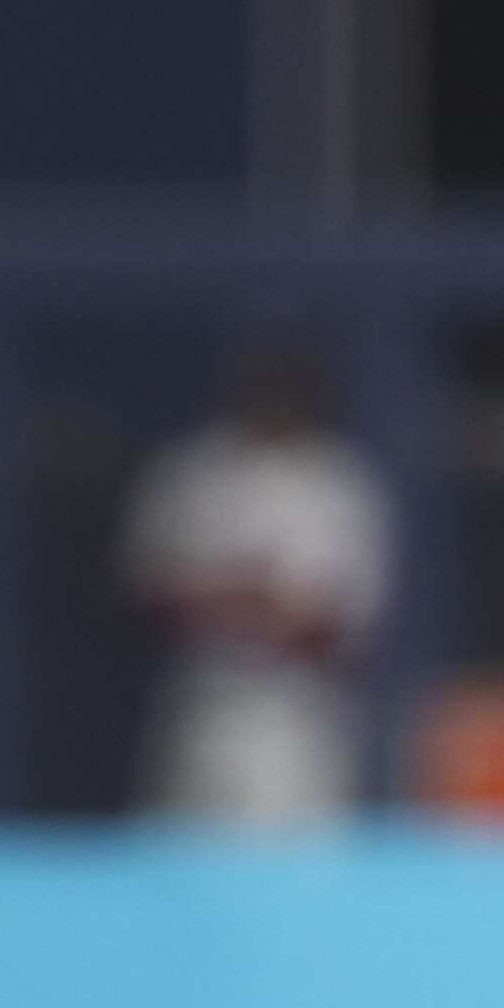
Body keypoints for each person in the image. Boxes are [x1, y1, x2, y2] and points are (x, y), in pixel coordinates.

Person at [124, 343, 393, 828]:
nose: (273, 397)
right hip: (202, 710)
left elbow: (334, 627)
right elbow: (148, 595)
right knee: (185, 877)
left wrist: (241, 603)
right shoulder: (195, 471)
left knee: (299, 878)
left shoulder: (336, 483)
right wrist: (249, 598)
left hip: (296, 722)